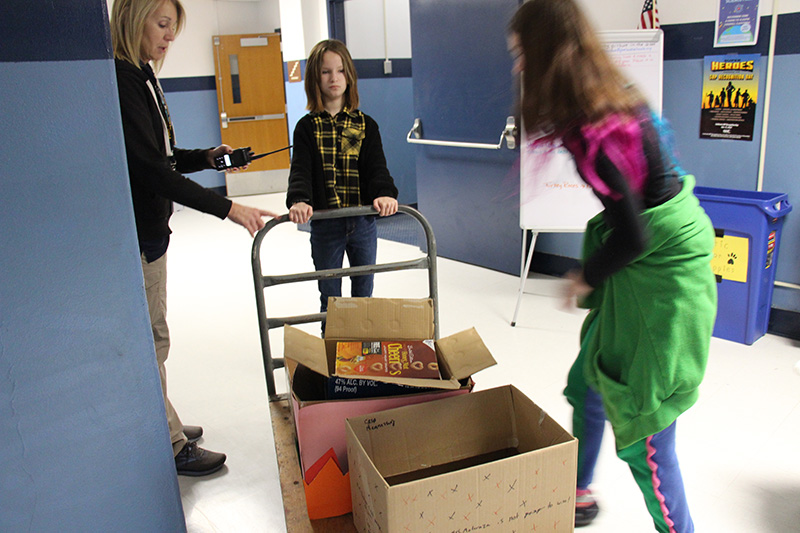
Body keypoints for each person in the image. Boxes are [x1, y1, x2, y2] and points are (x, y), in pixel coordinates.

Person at [508, 1, 717, 531]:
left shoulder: (596, 127)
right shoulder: (596, 100)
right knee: (588, 381)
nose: (517, 68)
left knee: (647, 432)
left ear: (548, 55)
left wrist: (584, 276)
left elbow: (635, 232)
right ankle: (577, 491)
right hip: (639, 253)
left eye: (521, 55)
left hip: (662, 268)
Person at [110, 0, 277, 476]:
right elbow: (150, 172)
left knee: (157, 336)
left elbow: (162, 156)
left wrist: (210, 158)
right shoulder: (123, 79)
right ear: (133, 17)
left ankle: (163, 417)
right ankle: (169, 438)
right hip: (141, 235)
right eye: (162, 25)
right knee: (153, 340)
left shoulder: (142, 74)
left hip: (153, 234)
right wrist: (230, 207)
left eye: (173, 29)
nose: (169, 37)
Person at [286, 39, 398, 325]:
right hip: (326, 226)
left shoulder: (365, 125)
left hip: (362, 223)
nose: (333, 78)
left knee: (363, 293)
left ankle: (362, 352)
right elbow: (300, 170)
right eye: (325, 72)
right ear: (315, 78)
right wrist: (299, 199)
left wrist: (384, 193)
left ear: (349, 76)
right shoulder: (307, 127)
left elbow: (376, 168)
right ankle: (332, 354)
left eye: (340, 71)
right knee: (330, 296)